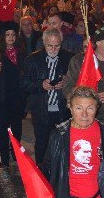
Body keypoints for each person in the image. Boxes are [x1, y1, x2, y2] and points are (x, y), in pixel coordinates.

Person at [21, 28, 72, 163]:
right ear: (44, 43)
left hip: (63, 110)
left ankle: (58, 174)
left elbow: (77, 81)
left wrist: (66, 83)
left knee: (62, 145)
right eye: (50, 45)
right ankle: (41, 173)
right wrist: (40, 85)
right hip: (41, 110)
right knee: (42, 143)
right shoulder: (33, 59)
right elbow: (24, 83)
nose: (54, 49)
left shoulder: (69, 58)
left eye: (57, 45)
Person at [0, 22, 27, 168]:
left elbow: (24, 73)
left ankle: (15, 152)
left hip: (17, 96)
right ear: (3, 37)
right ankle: (4, 157)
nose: (11, 37)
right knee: (3, 127)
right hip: (1, 97)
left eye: (13, 35)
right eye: (8, 35)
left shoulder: (20, 52)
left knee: (17, 127)